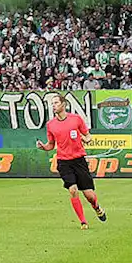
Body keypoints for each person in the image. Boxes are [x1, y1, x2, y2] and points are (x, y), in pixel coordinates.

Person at [36, 95, 105, 229]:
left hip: (79, 160)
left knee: (89, 195)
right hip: (63, 161)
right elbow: (51, 145)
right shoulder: (50, 125)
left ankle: (96, 207)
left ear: (63, 104)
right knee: (73, 190)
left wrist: (87, 139)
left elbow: (88, 135)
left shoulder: (76, 119)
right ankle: (83, 221)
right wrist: (43, 147)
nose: (53, 105)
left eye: (56, 102)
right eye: (52, 103)